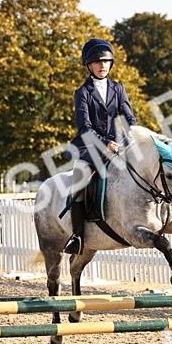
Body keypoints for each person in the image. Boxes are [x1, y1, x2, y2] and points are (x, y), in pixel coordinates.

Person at [64, 38, 137, 255]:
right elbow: (84, 127)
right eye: (97, 62)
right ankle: (77, 236)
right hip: (89, 146)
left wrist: (131, 137)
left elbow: (129, 119)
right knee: (79, 184)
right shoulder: (82, 92)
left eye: (106, 61)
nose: (102, 65)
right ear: (89, 65)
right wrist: (105, 143)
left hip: (118, 144)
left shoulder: (119, 88)